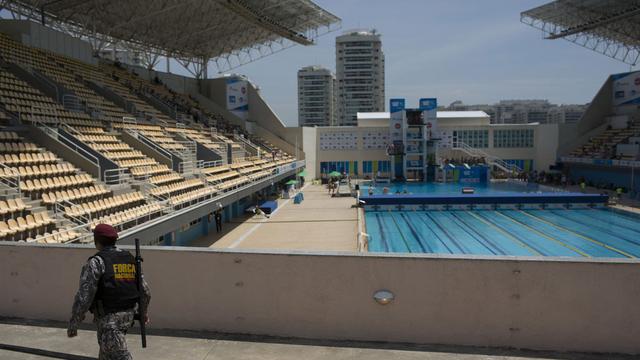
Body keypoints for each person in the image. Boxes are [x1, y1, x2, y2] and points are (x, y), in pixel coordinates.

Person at [68, 224, 151, 360]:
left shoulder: (97, 262)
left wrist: (74, 323)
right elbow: (146, 292)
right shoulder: (129, 259)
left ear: (97, 241)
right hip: (127, 318)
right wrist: (142, 313)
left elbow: (84, 297)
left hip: (109, 323)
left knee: (120, 356)